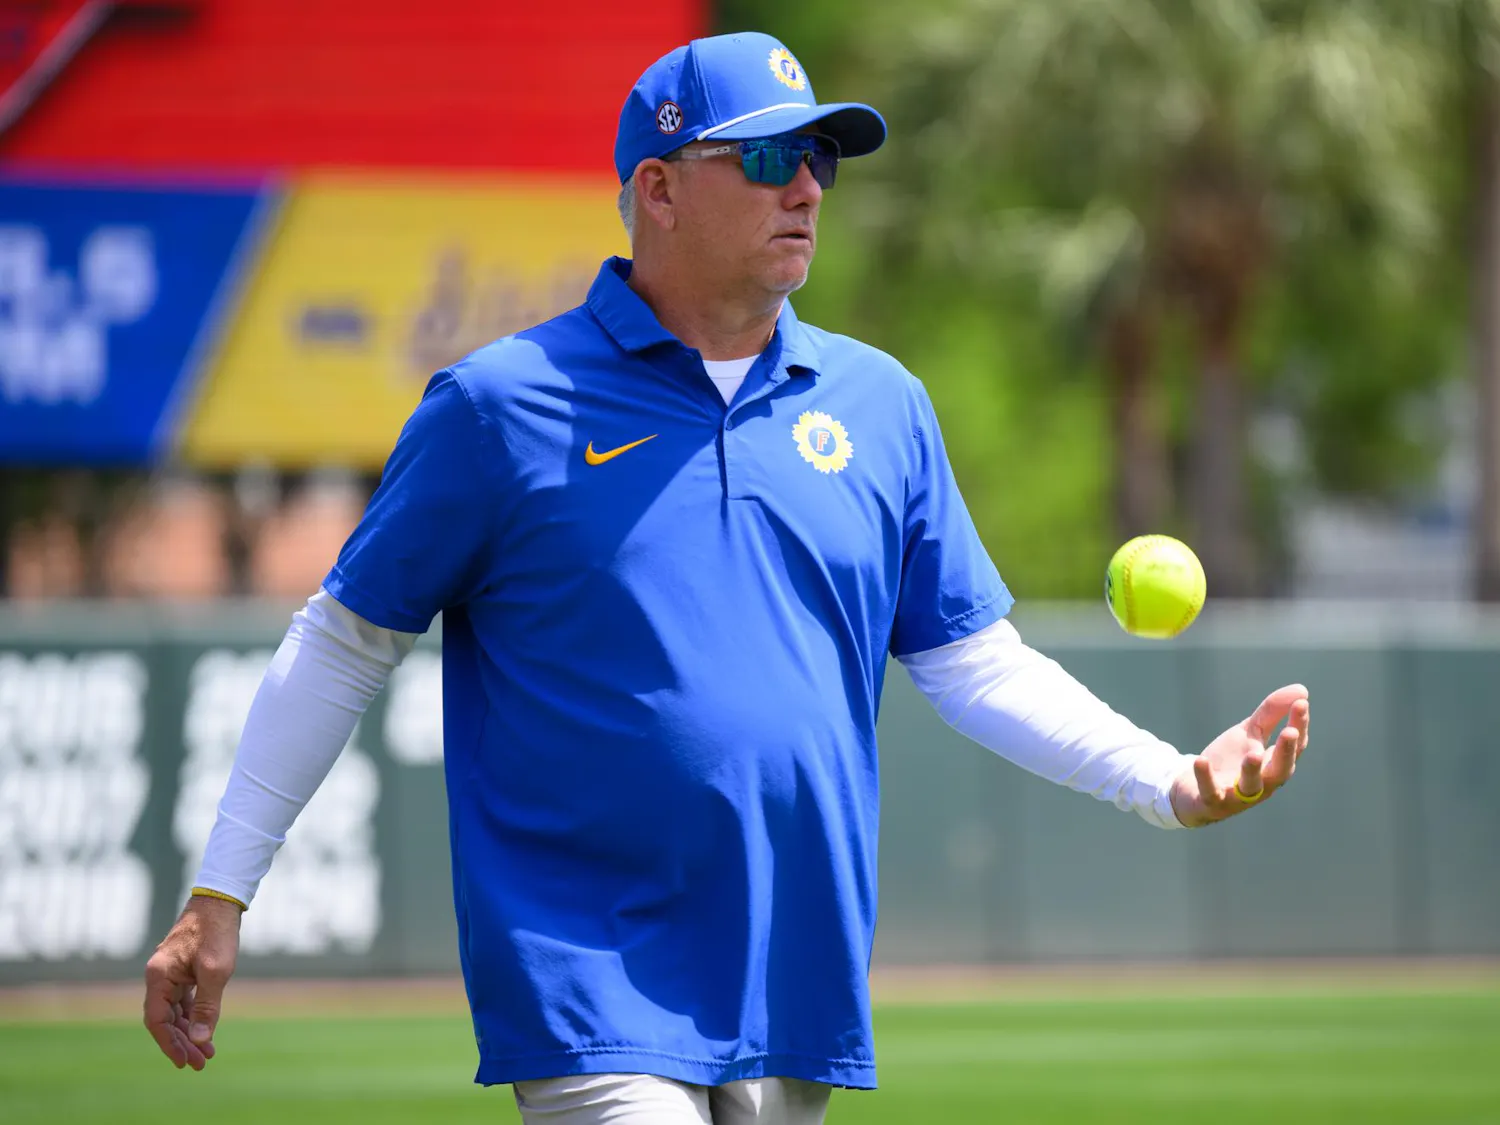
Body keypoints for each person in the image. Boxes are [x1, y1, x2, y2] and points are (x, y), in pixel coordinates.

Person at [143, 31, 1311, 1125]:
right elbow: (344, 642)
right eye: (764, 157)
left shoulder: (879, 405)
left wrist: (1171, 781)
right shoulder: (501, 406)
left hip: (791, 975)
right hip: (589, 973)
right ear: (657, 187)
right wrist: (221, 893)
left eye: (816, 159)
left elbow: (972, 665)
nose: (803, 186)